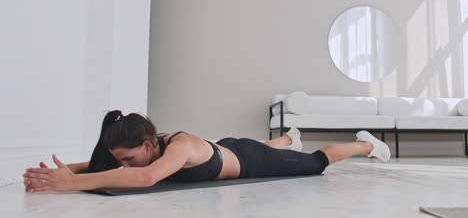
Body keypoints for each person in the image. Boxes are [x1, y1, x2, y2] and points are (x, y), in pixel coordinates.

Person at [23, 110, 391, 192]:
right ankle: (284, 141)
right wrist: (68, 169)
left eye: (126, 158)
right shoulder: (155, 146)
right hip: (226, 150)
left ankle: (365, 143)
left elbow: (147, 176)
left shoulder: (175, 149)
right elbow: (114, 166)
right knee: (261, 147)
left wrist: (70, 184)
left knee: (314, 164)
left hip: (248, 159)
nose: (122, 165)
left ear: (147, 145)